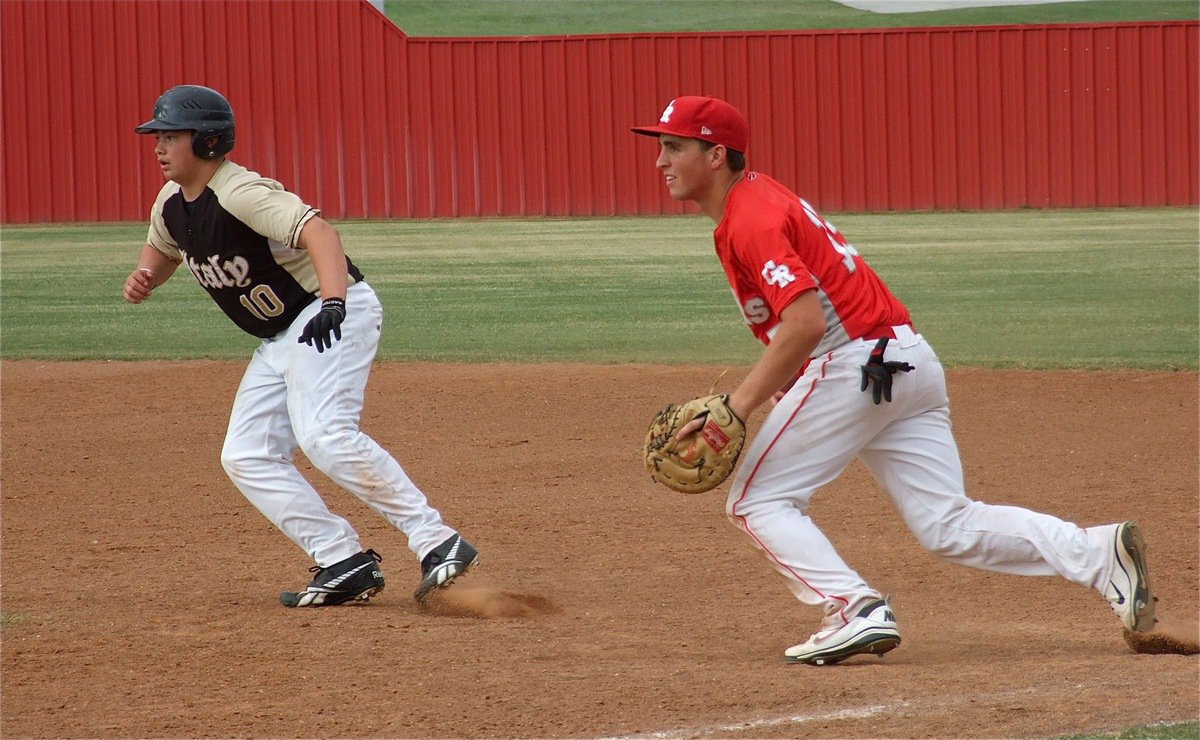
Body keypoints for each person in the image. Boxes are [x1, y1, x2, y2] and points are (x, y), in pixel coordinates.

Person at [630, 95, 1155, 665]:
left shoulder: (751, 216)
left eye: (674, 147)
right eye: (661, 146)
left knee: (758, 501)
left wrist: (739, 405)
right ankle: (1099, 554)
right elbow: (807, 318)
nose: (661, 161)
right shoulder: (758, 199)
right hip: (905, 361)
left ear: (715, 155)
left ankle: (853, 608)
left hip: (854, 363)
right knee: (947, 524)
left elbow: (805, 323)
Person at [124, 84, 479, 607]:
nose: (158, 146)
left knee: (326, 435)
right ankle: (343, 560)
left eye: (170, 136)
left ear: (207, 142)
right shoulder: (172, 202)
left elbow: (319, 233)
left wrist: (334, 301)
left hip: (328, 310)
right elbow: (164, 246)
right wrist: (146, 276)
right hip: (280, 336)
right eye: (157, 135)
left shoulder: (241, 192)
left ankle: (437, 540)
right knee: (246, 454)